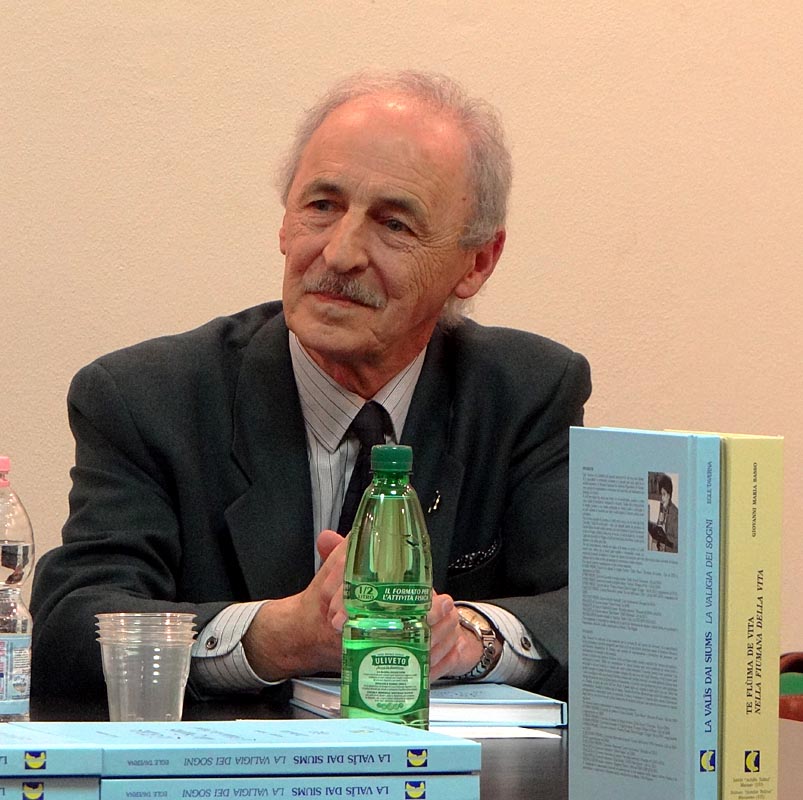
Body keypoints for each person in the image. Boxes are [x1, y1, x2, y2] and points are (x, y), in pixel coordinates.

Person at [30, 70, 591, 704]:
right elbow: (72, 628)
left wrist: (467, 637)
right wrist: (280, 635)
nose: (340, 253)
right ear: (284, 222)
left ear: (477, 262)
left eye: (395, 224)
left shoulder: (527, 393)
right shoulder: (147, 399)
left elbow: (600, 614)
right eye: (321, 206)